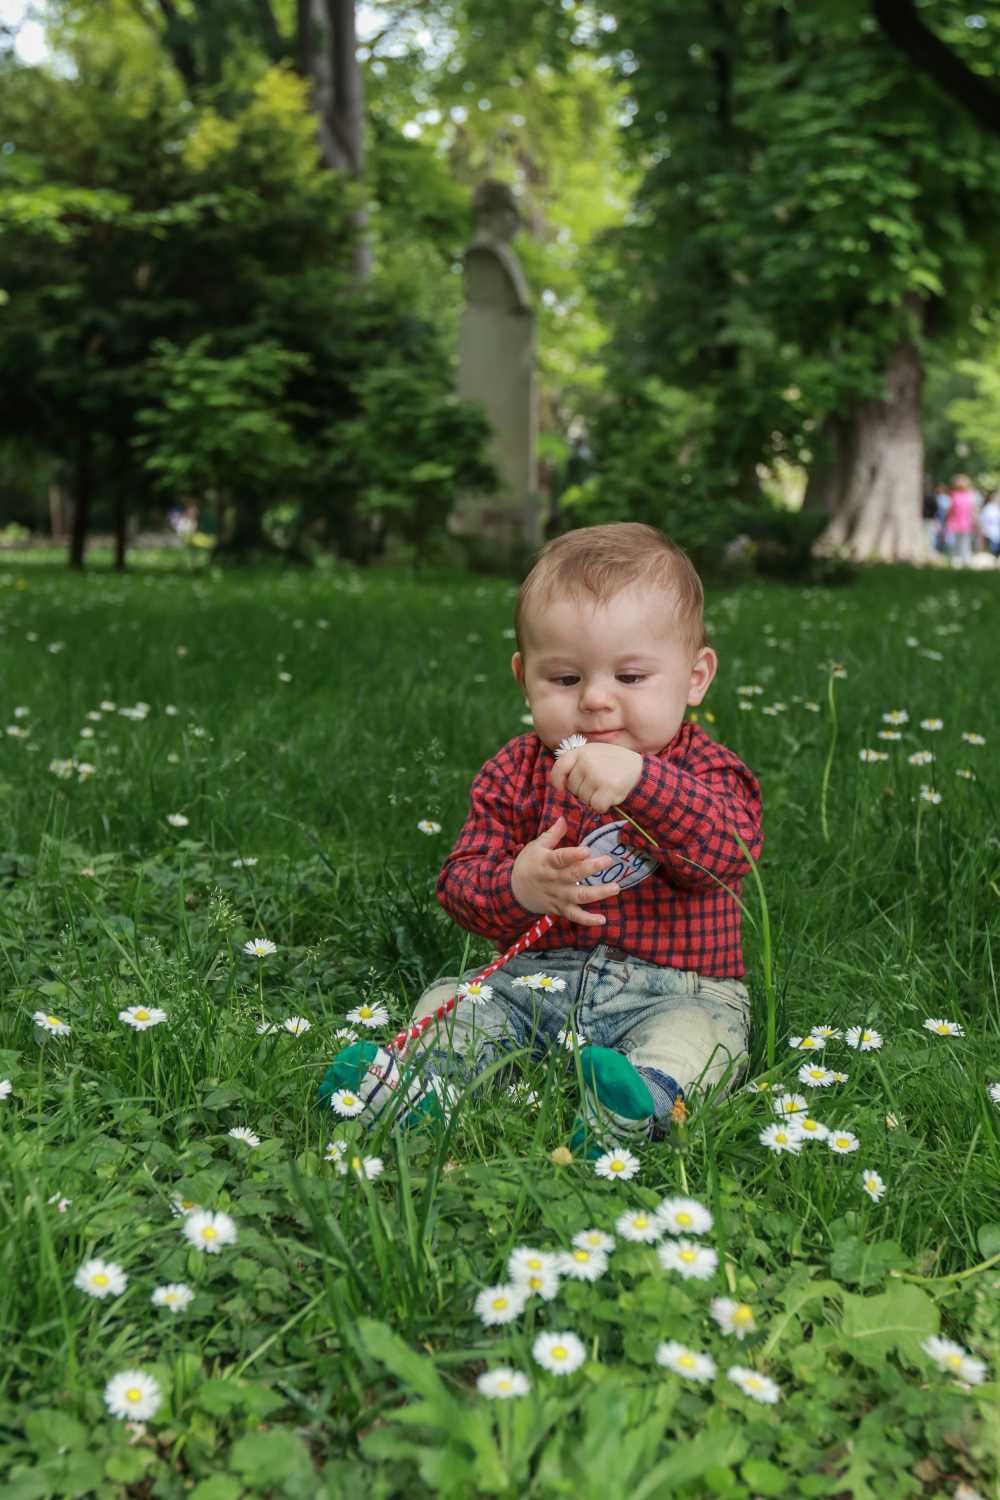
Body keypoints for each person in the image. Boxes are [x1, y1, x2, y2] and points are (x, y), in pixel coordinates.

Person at [319, 523, 763, 1150]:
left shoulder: (705, 770)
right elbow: (460, 883)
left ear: (694, 678)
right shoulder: (516, 770)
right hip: (533, 982)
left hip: (676, 988)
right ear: (525, 677)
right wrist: (517, 885)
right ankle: (419, 1091)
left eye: (631, 678)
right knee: (458, 1001)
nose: (597, 702)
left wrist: (644, 783)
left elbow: (724, 857)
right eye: (565, 679)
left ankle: (638, 1103)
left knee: (703, 1036)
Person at [945, 475, 978, 567]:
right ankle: (965, 560)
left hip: (955, 523)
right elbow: (973, 510)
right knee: (965, 543)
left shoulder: (954, 495)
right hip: (966, 523)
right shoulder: (970, 496)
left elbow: (950, 510)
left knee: (956, 544)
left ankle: (957, 561)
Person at [979, 491, 1000, 558]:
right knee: (993, 548)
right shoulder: (988, 508)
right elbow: (984, 519)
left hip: (996, 531)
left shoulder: (996, 507)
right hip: (989, 531)